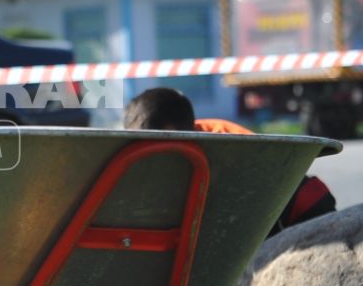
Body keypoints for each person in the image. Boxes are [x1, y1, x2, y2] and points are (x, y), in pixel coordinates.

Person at [121, 86, 337, 233]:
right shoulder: (134, 152)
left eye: (155, 143)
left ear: (177, 131)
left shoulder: (227, 142)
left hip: (284, 207)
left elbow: (266, 181)